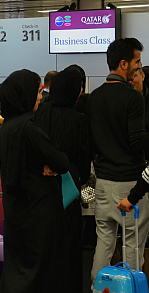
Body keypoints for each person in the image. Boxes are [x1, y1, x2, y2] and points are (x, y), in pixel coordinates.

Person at [0, 69, 70, 293]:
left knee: (17, 267)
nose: (40, 96)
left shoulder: (6, 126)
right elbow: (62, 162)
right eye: (37, 91)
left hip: (15, 210)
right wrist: (50, 166)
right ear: (25, 94)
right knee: (39, 271)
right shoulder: (29, 126)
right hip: (37, 211)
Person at [87, 37, 149, 283]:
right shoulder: (133, 99)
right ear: (123, 64)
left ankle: (98, 286)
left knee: (104, 242)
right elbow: (136, 141)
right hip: (131, 185)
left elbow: (91, 142)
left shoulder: (94, 98)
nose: (139, 67)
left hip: (103, 182)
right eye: (136, 62)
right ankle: (131, 287)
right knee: (133, 244)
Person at [34, 67, 91, 293]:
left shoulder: (39, 114)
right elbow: (85, 167)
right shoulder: (79, 121)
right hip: (67, 197)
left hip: (39, 196)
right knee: (67, 254)